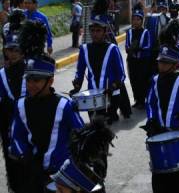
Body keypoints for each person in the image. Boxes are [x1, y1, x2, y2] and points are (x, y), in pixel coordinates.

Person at [9, 21, 84, 193]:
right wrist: (23, 155)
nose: (31, 85)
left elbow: (80, 135)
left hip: (62, 176)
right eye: (28, 80)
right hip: (33, 174)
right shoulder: (20, 105)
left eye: (36, 80)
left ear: (50, 81)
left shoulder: (65, 106)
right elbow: (16, 136)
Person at [143, 45, 179, 193]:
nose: (162, 65)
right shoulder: (154, 80)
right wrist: (151, 119)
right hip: (160, 133)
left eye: (166, 62)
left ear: (175, 65)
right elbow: (149, 103)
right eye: (160, 62)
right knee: (161, 178)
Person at [70, 15, 126, 124]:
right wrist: (76, 86)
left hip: (111, 95)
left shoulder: (112, 49)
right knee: (95, 128)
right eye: (93, 31)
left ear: (105, 31)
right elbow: (80, 71)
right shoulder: (84, 49)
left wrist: (112, 87)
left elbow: (122, 74)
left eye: (98, 31)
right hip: (92, 96)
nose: (95, 34)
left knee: (107, 129)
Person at [0, 28, 26, 193]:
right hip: (8, 123)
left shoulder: (31, 70)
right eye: (9, 49)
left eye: (16, 49)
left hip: (28, 122)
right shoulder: (2, 74)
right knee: (11, 160)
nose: (13, 53)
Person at [125, 6, 154, 109]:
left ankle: (143, 100)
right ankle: (137, 99)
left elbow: (148, 46)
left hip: (143, 61)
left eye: (138, 19)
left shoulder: (146, 32)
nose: (135, 21)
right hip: (132, 60)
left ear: (142, 21)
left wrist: (139, 48)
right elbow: (127, 45)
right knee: (133, 80)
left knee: (142, 80)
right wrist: (130, 49)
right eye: (134, 19)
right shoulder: (129, 32)